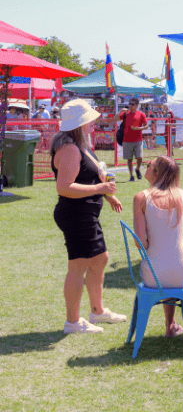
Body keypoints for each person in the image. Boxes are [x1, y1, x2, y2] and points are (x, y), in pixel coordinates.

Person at [50, 99, 126, 334]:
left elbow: (90, 176)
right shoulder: (71, 149)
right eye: (90, 121)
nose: (94, 123)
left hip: (83, 213)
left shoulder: (78, 145)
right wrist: (100, 190)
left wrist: (107, 195)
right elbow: (64, 187)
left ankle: (98, 311)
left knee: (100, 259)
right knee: (78, 266)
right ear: (79, 124)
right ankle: (73, 322)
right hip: (76, 214)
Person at [133, 156, 183, 340]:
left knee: (163, 268)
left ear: (156, 172)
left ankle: (170, 326)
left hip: (154, 275)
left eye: (149, 165)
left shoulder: (141, 198)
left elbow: (140, 242)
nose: (146, 166)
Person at [113, 97, 147, 182]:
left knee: (139, 157)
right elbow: (114, 119)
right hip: (127, 140)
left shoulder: (141, 114)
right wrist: (120, 111)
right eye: (130, 104)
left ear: (137, 105)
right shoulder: (125, 113)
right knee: (129, 159)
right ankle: (131, 176)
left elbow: (146, 126)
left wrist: (138, 128)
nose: (130, 106)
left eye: (132, 104)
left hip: (138, 139)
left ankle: (137, 169)